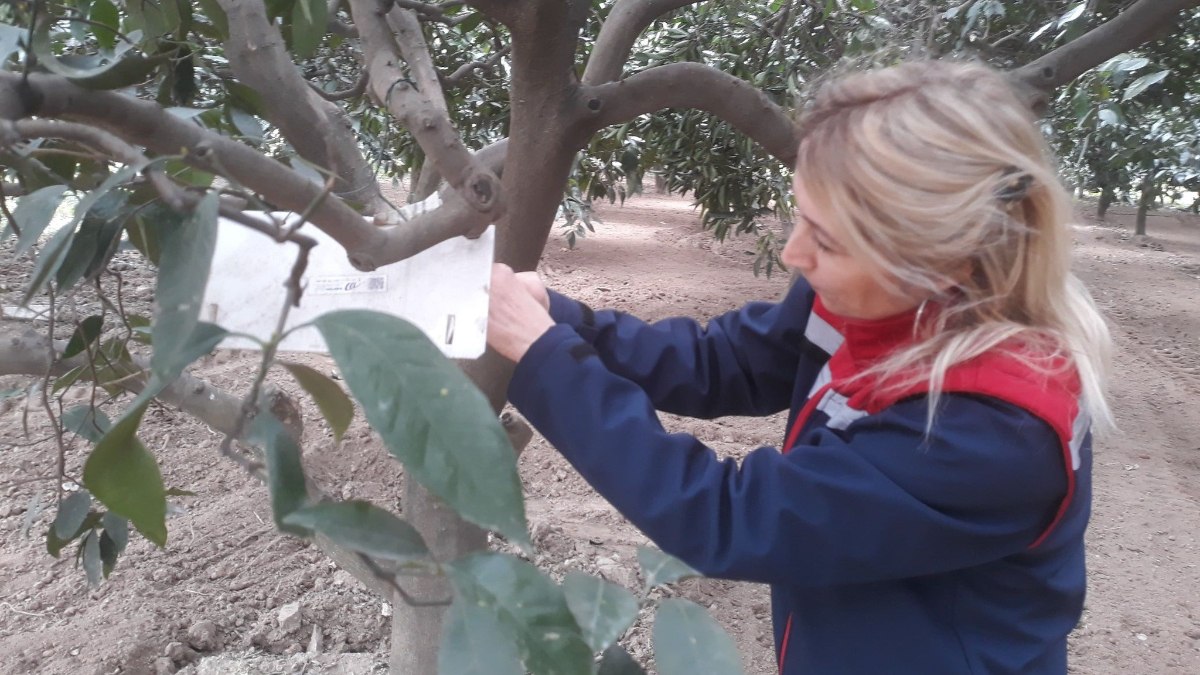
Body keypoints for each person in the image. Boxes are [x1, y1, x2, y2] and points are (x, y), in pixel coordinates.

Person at [486, 60, 1112, 675]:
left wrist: (548, 363)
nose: (793, 253)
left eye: (829, 240)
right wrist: (562, 322)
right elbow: (723, 361)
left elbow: (728, 518)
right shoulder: (873, 298)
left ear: (946, 261)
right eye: (801, 219)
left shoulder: (988, 436)